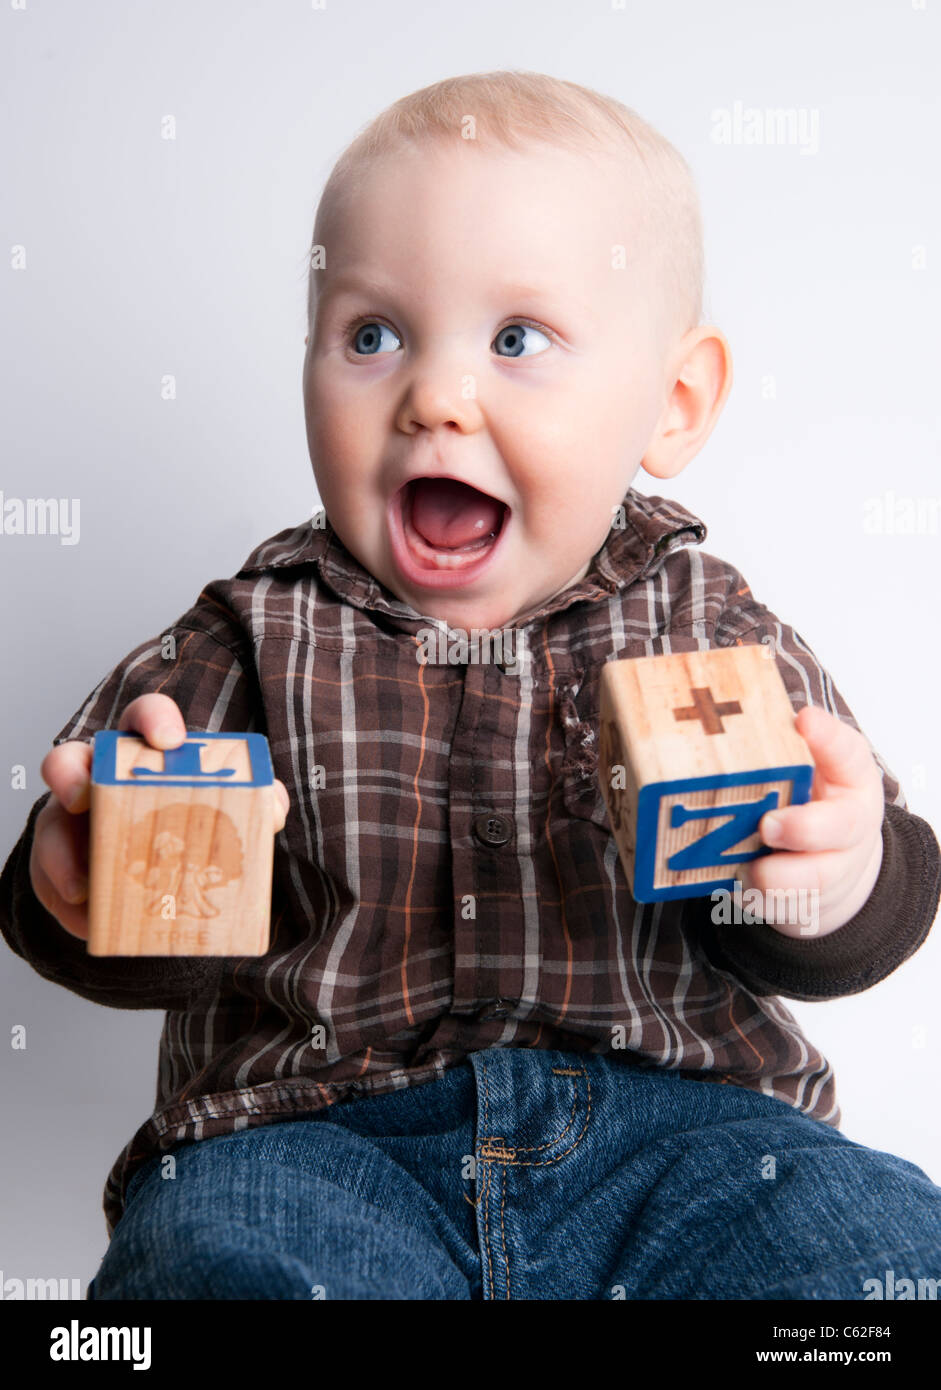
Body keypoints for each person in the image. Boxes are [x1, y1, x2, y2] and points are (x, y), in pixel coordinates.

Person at [3, 70, 940, 1300]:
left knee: (866, 1250)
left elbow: (865, 891)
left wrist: (832, 875)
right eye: (371, 334)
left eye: (515, 341)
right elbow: (124, 909)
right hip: (314, 1140)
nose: (433, 397)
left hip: (689, 1139)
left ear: (671, 402)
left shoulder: (709, 626)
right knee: (213, 1256)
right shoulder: (246, 634)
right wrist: (87, 880)